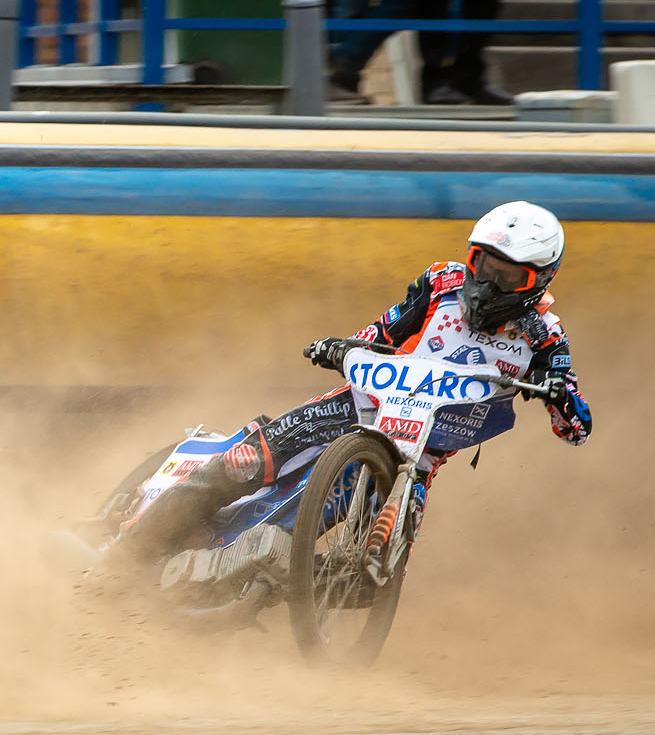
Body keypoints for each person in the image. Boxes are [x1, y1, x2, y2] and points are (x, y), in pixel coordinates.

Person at [116, 201, 590, 562]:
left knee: (374, 554)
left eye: (508, 277)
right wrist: (341, 347)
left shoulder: (545, 336)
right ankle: (125, 556)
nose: (487, 283)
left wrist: (558, 393)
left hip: (418, 454)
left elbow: (577, 428)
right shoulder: (441, 282)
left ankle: (295, 580)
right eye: (483, 265)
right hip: (356, 403)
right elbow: (382, 332)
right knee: (245, 461)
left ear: (539, 279)